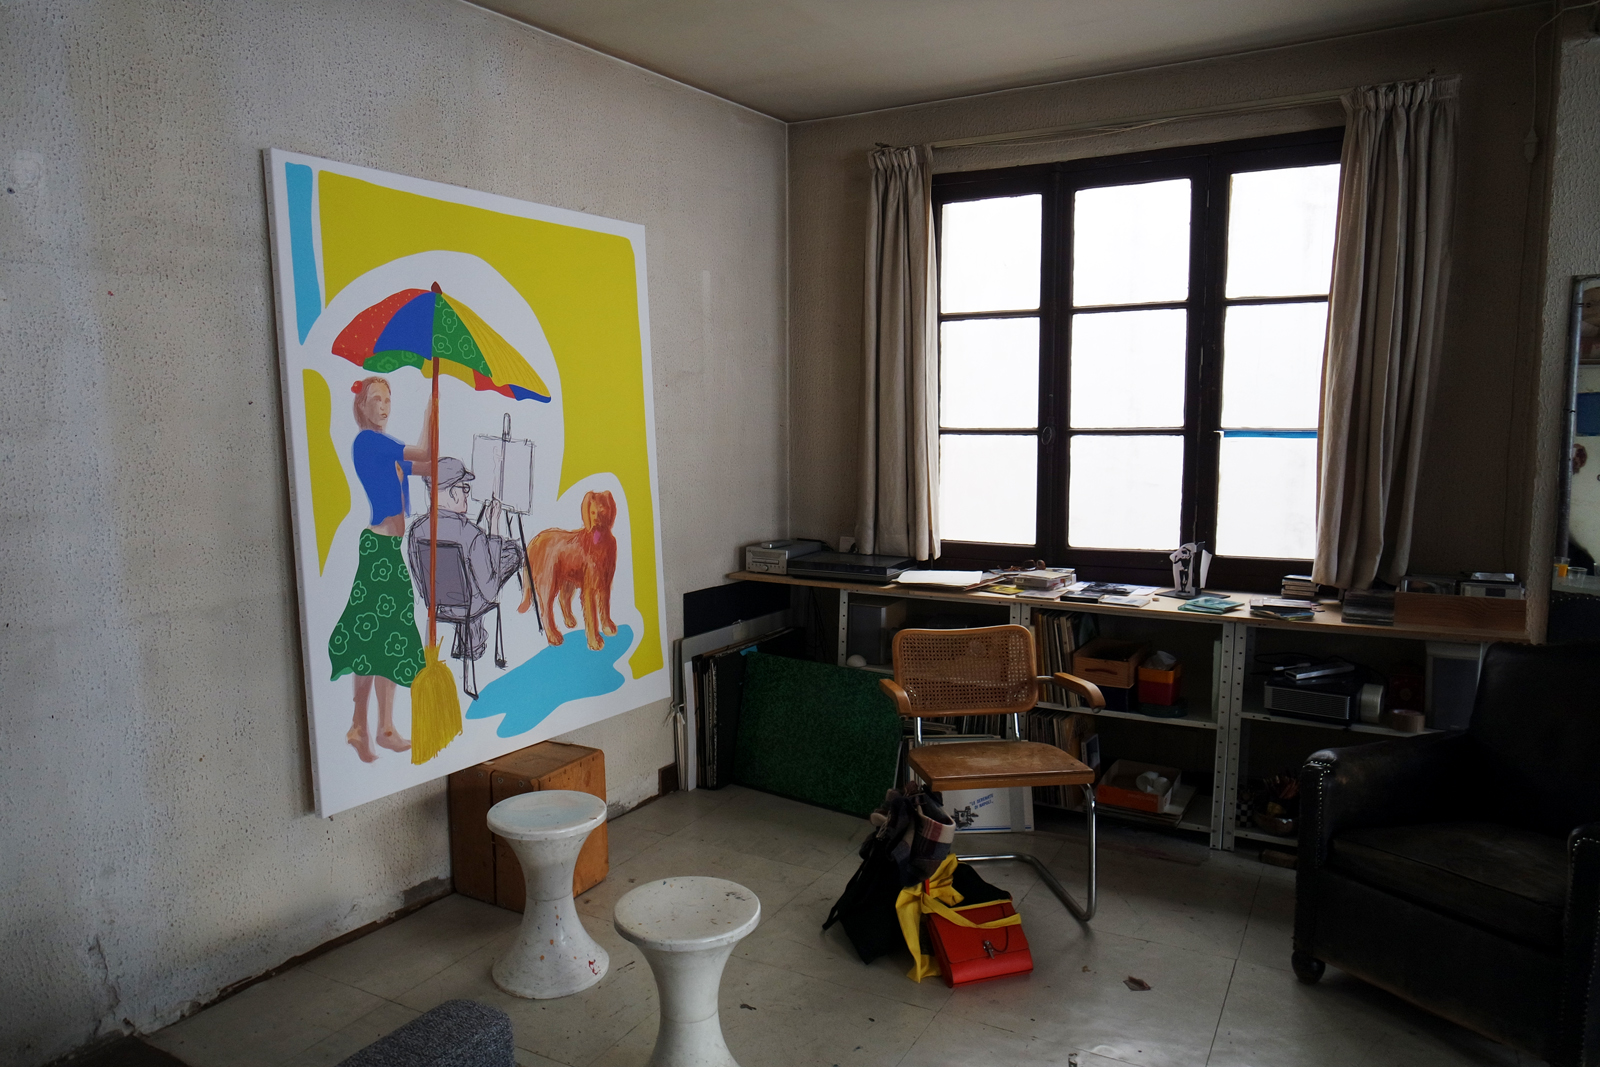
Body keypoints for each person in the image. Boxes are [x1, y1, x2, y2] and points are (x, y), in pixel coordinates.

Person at [329, 376, 433, 763]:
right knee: (378, 633)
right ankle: (375, 726)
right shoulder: (369, 442)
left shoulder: (386, 449)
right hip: (379, 552)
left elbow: (427, 464)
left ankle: (372, 726)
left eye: (388, 400)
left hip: (387, 549)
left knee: (380, 635)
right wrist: (430, 411)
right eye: (376, 400)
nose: (384, 407)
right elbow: (424, 451)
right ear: (362, 406)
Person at [407, 458, 523, 662]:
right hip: (471, 603)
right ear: (453, 492)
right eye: (465, 488)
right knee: (512, 553)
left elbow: (419, 578)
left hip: (437, 603)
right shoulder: (471, 533)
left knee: (470, 572)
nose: (466, 495)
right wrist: (494, 528)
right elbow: (490, 590)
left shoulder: (417, 530)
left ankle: (470, 641)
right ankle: (472, 643)